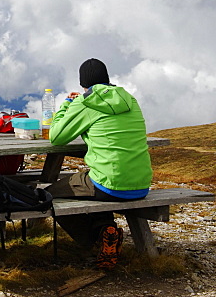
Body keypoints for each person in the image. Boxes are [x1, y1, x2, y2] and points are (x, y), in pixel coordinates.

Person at [46, 58, 152, 270]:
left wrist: (67, 104)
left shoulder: (85, 102)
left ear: (82, 83)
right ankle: (107, 230)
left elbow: (56, 137)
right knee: (92, 182)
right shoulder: (129, 99)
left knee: (49, 194)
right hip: (141, 184)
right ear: (106, 78)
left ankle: (98, 240)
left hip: (109, 184)